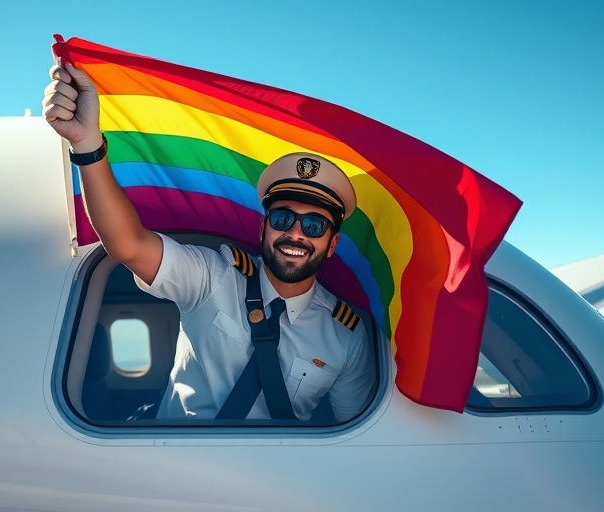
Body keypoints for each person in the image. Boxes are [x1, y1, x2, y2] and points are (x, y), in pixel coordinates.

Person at [42, 62, 375, 422]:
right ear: (264, 229)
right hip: (182, 466)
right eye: (282, 219)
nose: (295, 233)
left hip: (274, 477)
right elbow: (128, 246)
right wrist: (87, 144)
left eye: (314, 225)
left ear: (332, 244)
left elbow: (352, 433)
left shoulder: (347, 335)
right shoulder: (212, 275)